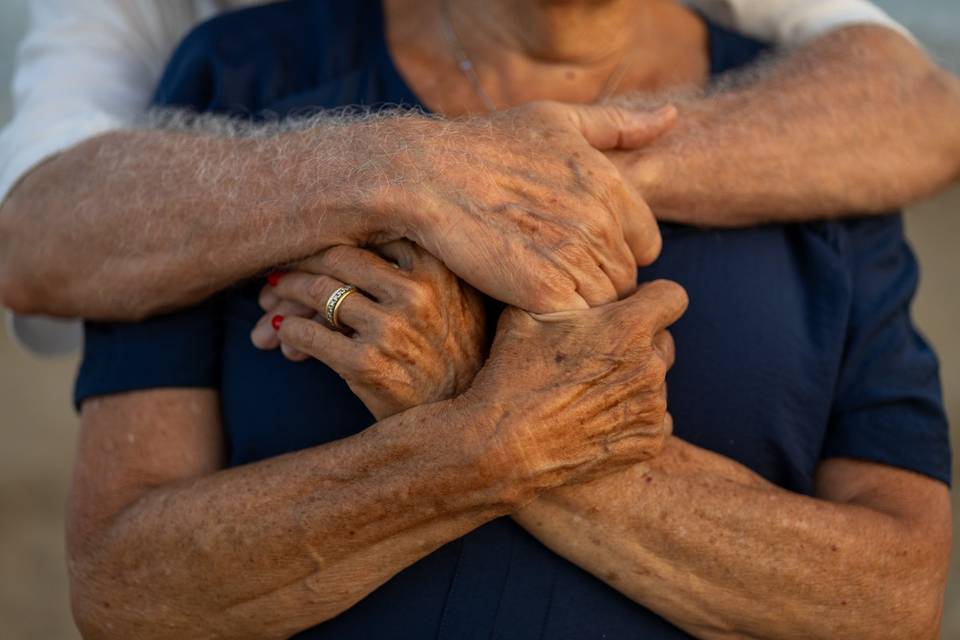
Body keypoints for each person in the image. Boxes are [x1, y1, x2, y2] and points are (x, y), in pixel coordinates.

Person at [66, 1, 952, 638]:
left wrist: (480, 412)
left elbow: (892, 595)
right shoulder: (246, 72)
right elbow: (124, 585)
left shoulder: (816, 123)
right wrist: (496, 436)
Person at [1, 0, 959, 335]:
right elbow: (33, 230)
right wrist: (399, 164)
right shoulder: (220, 47)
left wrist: (539, 171)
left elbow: (918, 109)